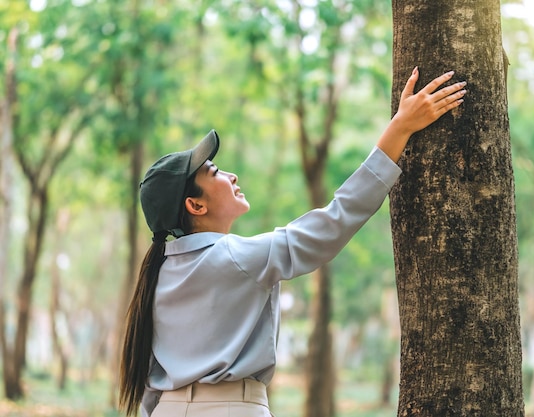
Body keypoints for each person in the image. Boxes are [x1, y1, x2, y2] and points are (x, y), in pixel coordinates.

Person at [119, 67, 466, 417]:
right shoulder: (238, 258)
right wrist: (400, 128)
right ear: (195, 205)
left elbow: (151, 385)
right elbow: (336, 220)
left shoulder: (158, 275)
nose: (231, 175)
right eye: (214, 172)